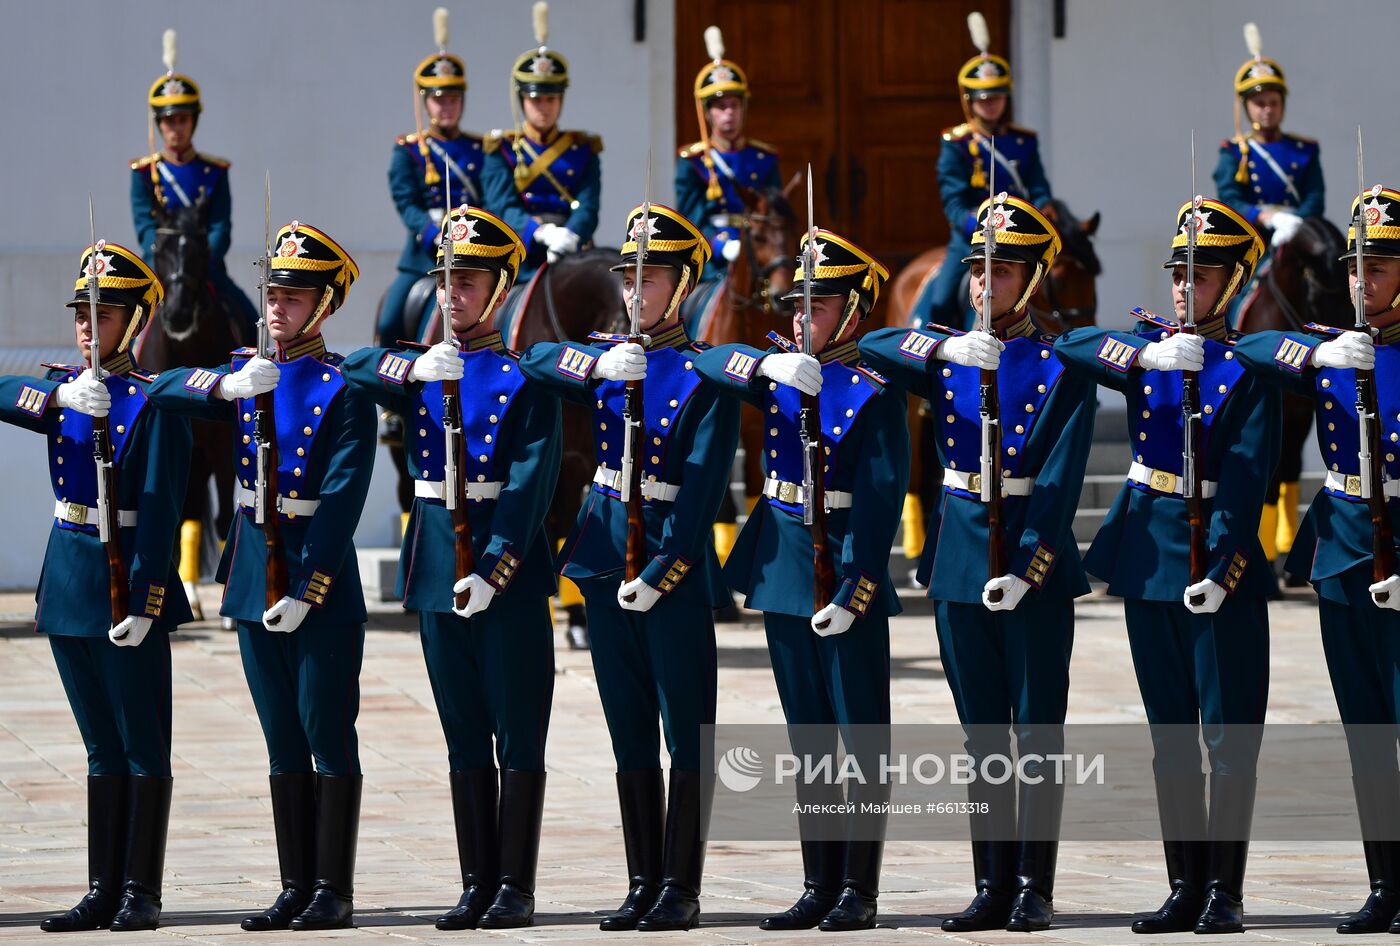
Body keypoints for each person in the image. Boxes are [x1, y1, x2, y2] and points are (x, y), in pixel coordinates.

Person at [863, 196, 1093, 932]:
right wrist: (940, 349)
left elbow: (1059, 480)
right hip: (960, 556)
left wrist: (1029, 565)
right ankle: (992, 881)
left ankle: (1033, 884)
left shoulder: (1059, 365)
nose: (983, 284)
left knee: (1036, 732)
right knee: (983, 734)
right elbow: (871, 349)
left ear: (1030, 281)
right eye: (977, 270)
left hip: (1031, 557)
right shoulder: (952, 357)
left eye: (1001, 271)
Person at [145, 222, 375, 931]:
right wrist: (225, 386)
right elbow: (160, 389)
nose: (277, 306)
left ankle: (333, 887)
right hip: (250, 575)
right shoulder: (246, 374)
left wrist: (310, 587)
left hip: (316, 581)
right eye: (273, 292)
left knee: (325, 730)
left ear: (325, 304)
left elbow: (341, 499)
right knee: (280, 736)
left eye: (294, 295)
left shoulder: (345, 388)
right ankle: (293, 883)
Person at [1056, 199, 1276, 934]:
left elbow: (1247, 480)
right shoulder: (1153, 354)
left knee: (1227, 738)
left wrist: (1221, 564)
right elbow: (1075, 342)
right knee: (1170, 736)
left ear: (1235, 283)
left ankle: (1226, 892)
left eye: (1201, 275)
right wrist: (1147, 354)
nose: (1184, 288)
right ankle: (1184, 884)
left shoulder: (1249, 370)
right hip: (1148, 558)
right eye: (1178, 274)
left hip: (1218, 570)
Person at [518, 203, 739, 931]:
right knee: (629, 734)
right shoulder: (613, 362)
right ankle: (643, 879)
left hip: (669, 577)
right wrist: (595, 359)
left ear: (681, 288)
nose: (634, 291)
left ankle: (682, 886)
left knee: (685, 734)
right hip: (606, 563)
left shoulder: (706, 376)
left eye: (651, 279)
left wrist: (665, 572)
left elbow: (703, 494)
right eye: (630, 276)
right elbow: (536, 360)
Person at [342, 207, 559, 930]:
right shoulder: (425, 371)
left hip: (506, 573)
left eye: (466, 283)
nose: (451, 295)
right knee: (462, 731)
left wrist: (495, 568)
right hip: (436, 564)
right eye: (445, 282)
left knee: (517, 730)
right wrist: (413, 362)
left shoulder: (526, 380)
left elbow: (529, 488)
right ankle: (476, 881)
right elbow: (354, 366)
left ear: (500, 290)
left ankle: (516, 887)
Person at [695, 228, 904, 931]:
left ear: (851, 313)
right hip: (784, 568)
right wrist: (764, 370)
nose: (799, 318)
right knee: (810, 738)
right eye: (795, 306)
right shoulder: (781, 374)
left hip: (842, 572)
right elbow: (708, 359)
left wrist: (858, 588)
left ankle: (860, 891)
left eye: (816, 306)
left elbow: (882, 500)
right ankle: (819, 881)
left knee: (859, 735)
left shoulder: (874, 392)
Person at [5, 242, 192, 932]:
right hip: (70, 576)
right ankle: (100, 887)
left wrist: (146, 600)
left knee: (141, 742)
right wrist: (56, 394)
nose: (87, 326)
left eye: (103, 314)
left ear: (136, 321)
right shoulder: (63, 391)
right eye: (81, 313)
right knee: (98, 746)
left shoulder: (152, 405)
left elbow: (164, 515)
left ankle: (140, 889)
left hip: (125, 579)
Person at [1231, 185, 1400, 934]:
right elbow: (1255, 348)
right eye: (1357, 265)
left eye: (1382, 265)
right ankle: (1386, 884)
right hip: (1340, 554)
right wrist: (1323, 348)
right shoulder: (1333, 345)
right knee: (1366, 733)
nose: (1363, 279)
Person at [1212, 21, 1325, 568]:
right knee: (1230, 303)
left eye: (1273, 100)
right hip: (1253, 247)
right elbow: (1228, 195)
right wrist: (1266, 215)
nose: (1266, 109)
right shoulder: (1232, 150)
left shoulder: (1305, 151)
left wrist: (1297, 221)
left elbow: (1319, 196)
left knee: (1325, 289)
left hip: (1296, 247)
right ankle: (1225, 347)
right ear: (1246, 107)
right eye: (1257, 102)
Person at [909, 13, 1052, 330]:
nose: (991, 105)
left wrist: (1044, 207)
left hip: (1022, 236)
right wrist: (984, 225)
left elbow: (1039, 187)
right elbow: (954, 204)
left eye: (997, 97)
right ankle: (925, 353)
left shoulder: (1023, 141)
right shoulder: (956, 143)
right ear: (969, 101)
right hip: (972, 238)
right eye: (983, 99)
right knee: (941, 301)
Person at [130, 29, 257, 337]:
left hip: (205, 267)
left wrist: (202, 261)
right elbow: (145, 227)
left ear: (193, 122)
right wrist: (161, 260)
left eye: (183, 120)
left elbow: (220, 226)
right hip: (162, 268)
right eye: (169, 121)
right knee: (128, 331)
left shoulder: (214, 172)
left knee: (251, 318)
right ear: (159, 124)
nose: (177, 128)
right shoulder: (145, 173)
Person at [380, 7, 485, 347]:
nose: (446, 107)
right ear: (426, 103)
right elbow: (406, 202)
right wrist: (431, 233)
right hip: (424, 255)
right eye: (439, 99)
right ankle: (388, 391)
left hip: (473, 248)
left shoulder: (481, 149)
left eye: (453, 98)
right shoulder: (408, 150)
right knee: (390, 317)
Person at [481, 1, 601, 284]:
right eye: (536, 100)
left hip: (571, 253)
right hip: (518, 257)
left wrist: (571, 235)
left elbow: (589, 205)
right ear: (522, 100)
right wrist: (540, 232)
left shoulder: (583, 150)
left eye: (551, 99)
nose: (544, 107)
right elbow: (501, 206)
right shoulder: (501, 150)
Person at [674, 26, 780, 287]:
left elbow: (775, 216)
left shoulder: (764, 158)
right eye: (721, 107)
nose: (728, 113)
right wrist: (721, 246)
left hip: (761, 259)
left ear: (743, 108)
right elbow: (691, 221)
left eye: (734, 105)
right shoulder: (693, 161)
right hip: (714, 263)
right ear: (708, 113)